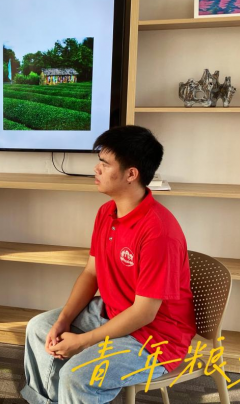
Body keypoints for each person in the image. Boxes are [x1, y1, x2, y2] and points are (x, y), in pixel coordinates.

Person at [20, 125, 196, 404]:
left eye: (105, 163)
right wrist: (64, 320)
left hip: (155, 338)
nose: (96, 169)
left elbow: (144, 313)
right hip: (113, 311)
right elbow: (91, 273)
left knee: (77, 375)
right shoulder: (106, 212)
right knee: (40, 328)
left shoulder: (158, 232)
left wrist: (83, 340)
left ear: (131, 174)